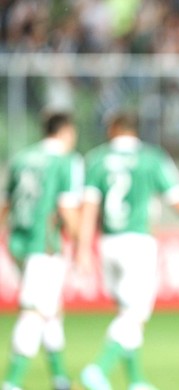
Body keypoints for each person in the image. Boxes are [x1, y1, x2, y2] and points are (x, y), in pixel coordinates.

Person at [76, 111, 179, 390]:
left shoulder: (96, 158)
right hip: (137, 244)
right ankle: (98, 368)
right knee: (135, 314)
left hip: (108, 244)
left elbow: (89, 207)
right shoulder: (151, 158)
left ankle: (136, 380)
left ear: (113, 128)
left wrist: (82, 248)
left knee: (127, 312)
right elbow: (176, 197)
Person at [1, 111, 82, 390]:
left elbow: (6, 203)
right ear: (66, 131)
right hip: (43, 243)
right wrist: (81, 243)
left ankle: (60, 378)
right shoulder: (66, 161)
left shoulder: (22, 158)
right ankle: (11, 382)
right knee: (34, 311)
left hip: (18, 242)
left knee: (50, 308)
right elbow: (67, 207)